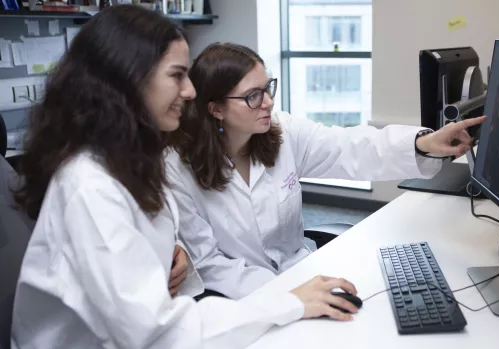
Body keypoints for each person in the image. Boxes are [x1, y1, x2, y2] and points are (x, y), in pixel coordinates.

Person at [10, 6, 360, 349]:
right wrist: (288, 303)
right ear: (130, 79)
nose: (191, 90)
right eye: (177, 75)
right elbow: (156, 333)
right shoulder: (90, 185)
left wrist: (172, 255)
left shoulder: (130, 159)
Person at [165, 42, 488, 299]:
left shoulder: (282, 132)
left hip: (301, 272)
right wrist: (287, 294)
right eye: (253, 96)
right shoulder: (180, 167)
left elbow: (348, 146)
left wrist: (423, 143)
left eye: (268, 88)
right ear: (216, 108)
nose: (267, 103)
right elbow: (209, 264)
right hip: (242, 300)